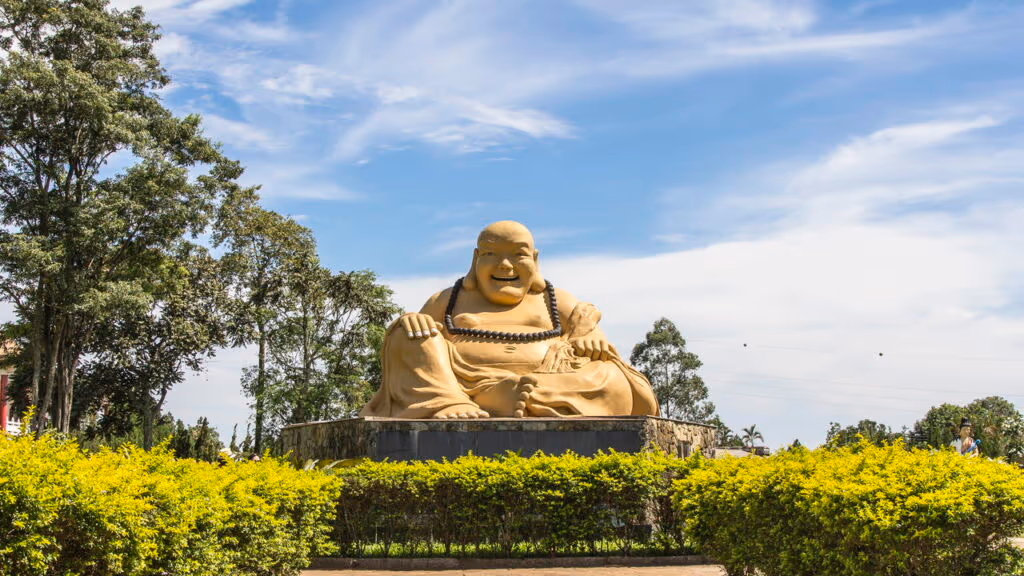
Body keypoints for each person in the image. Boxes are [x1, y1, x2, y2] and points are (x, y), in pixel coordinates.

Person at [360, 221, 659, 419]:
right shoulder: (448, 299)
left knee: (611, 375)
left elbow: (592, 333)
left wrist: (588, 333)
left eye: (518, 255)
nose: (505, 265)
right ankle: (455, 402)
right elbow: (413, 356)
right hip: (459, 384)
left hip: (544, 383)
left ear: (535, 259)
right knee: (408, 333)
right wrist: (412, 320)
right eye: (491, 254)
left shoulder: (556, 300)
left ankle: (507, 398)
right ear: (476, 259)